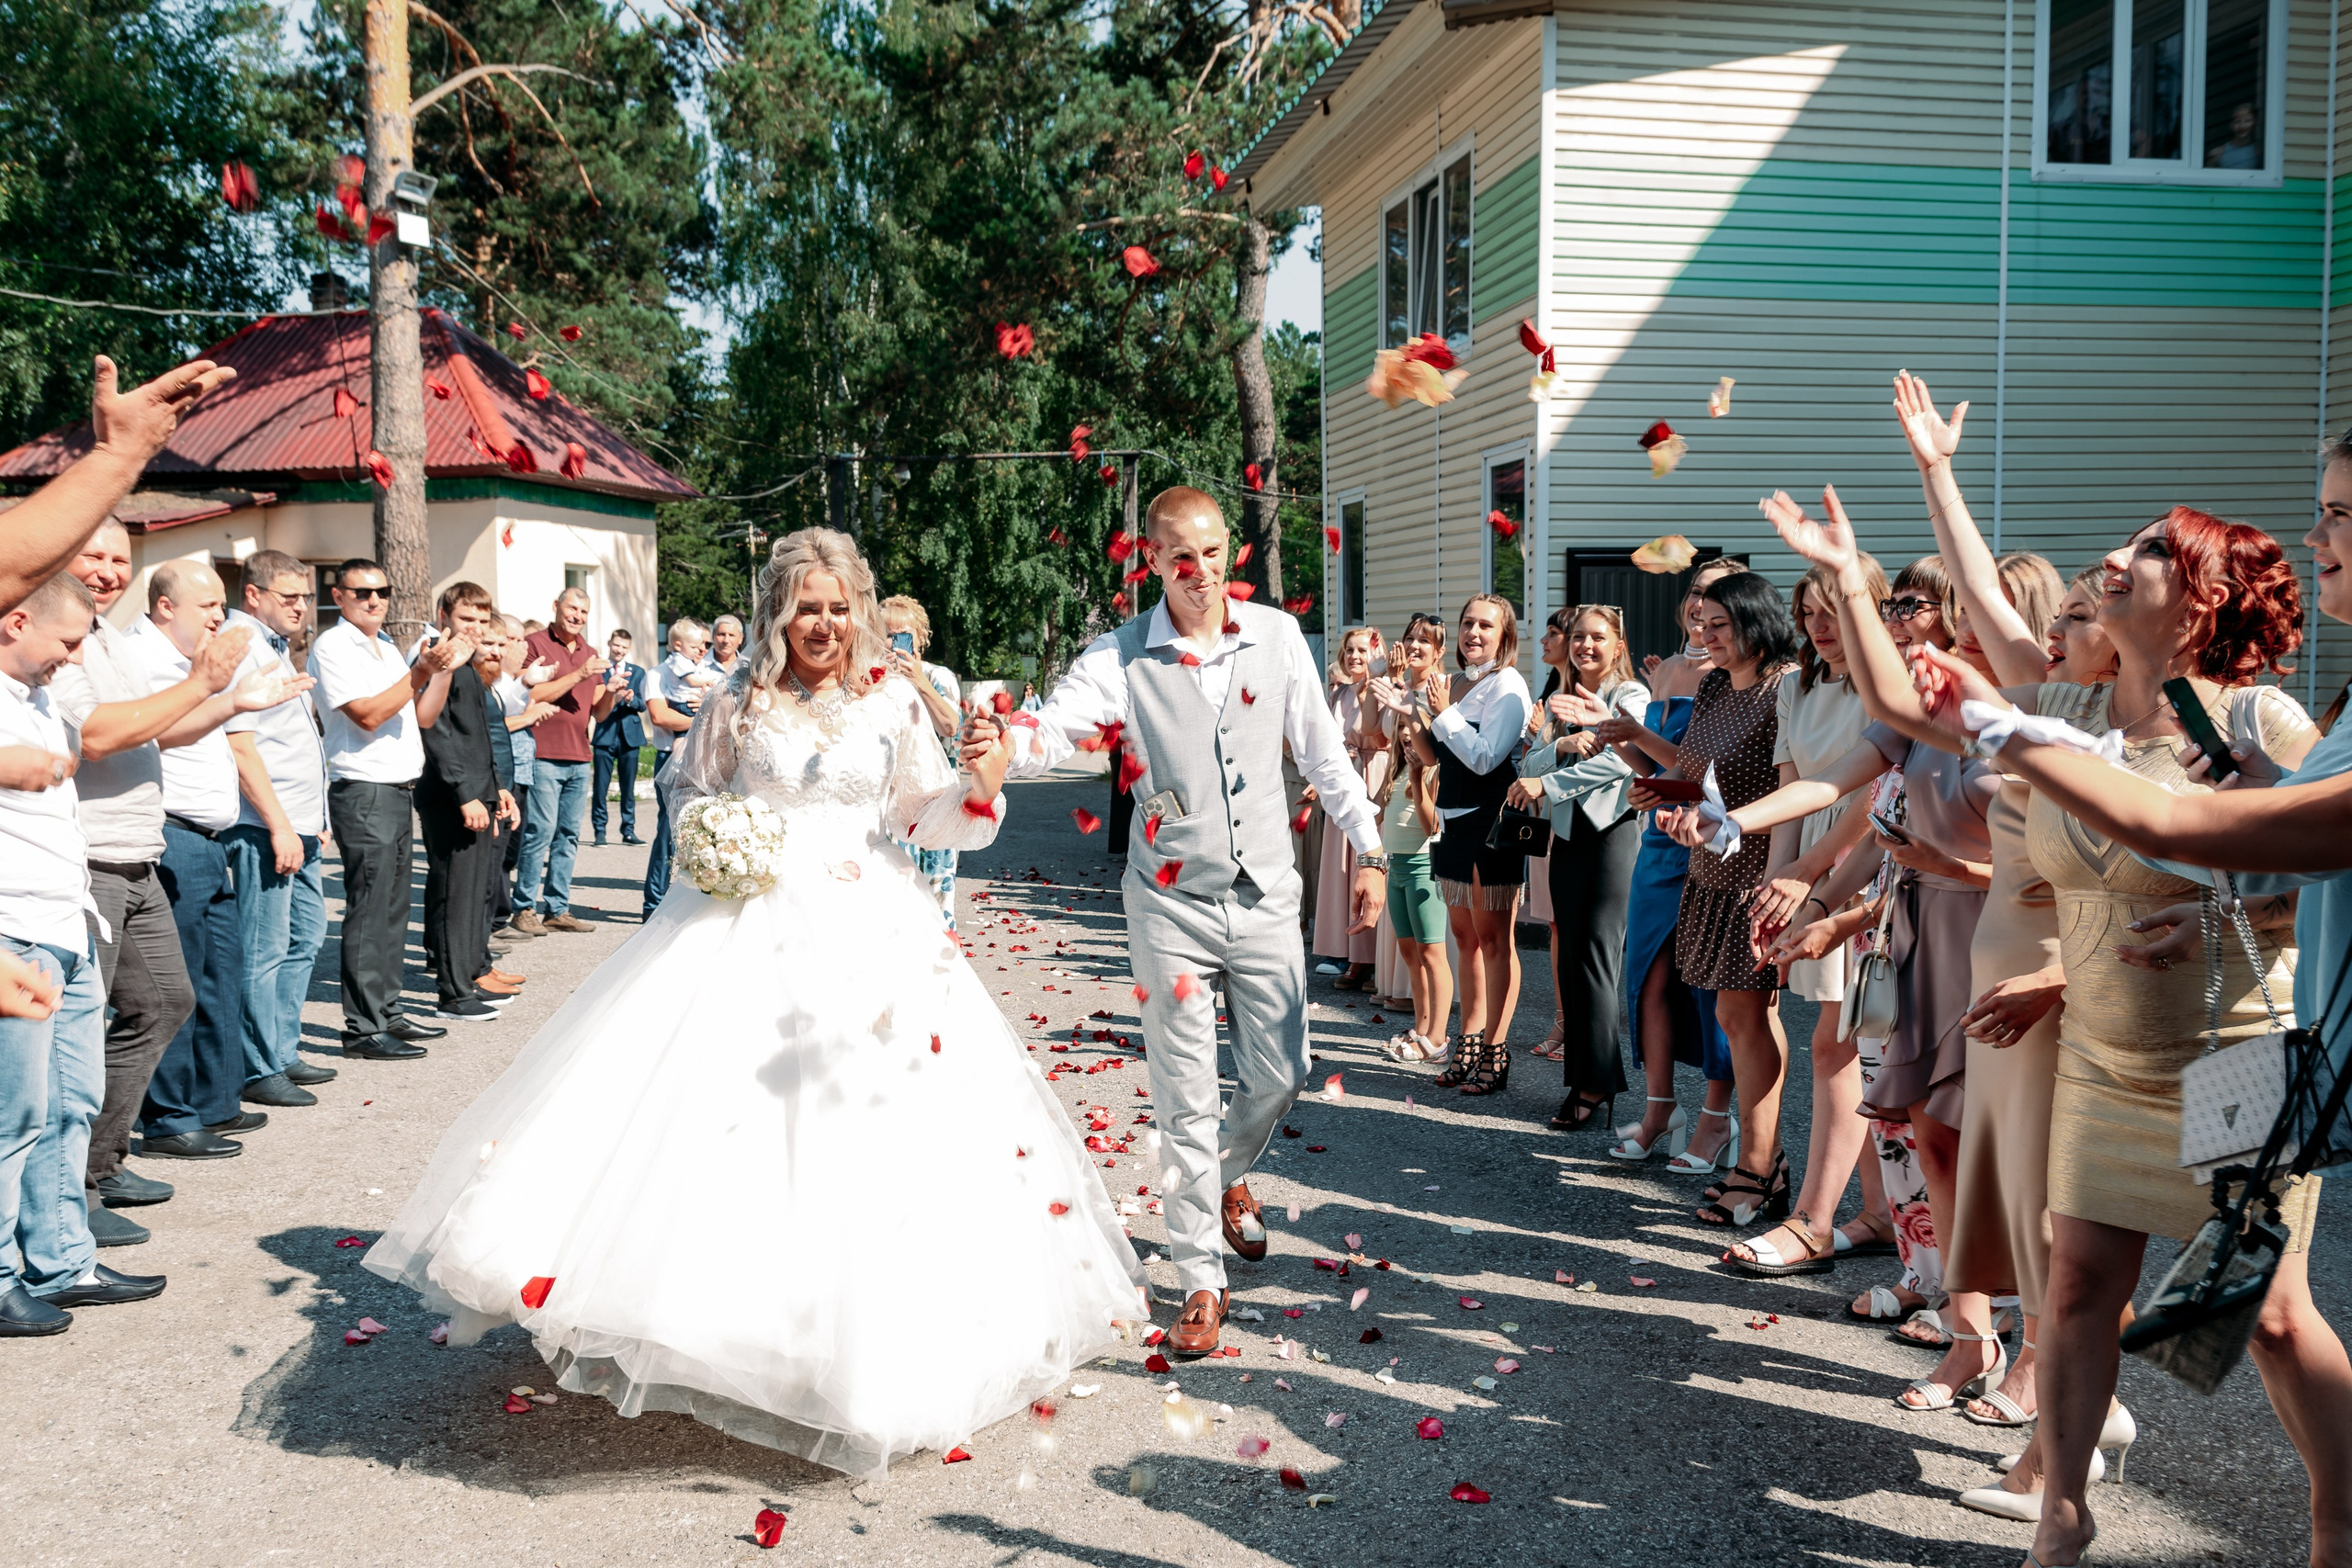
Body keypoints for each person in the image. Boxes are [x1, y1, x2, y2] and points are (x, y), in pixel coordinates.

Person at [366, 526, 1140, 1477]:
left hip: (871, 927)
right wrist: (720, 837)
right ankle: (714, 1325)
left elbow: (921, 815)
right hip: (743, 922)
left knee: (866, 1127)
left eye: (836, 606)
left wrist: (976, 787)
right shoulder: (738, 698)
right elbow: (684, 790)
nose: (822, 623)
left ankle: (854, 1349)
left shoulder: (893, 698)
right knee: (717, 1120)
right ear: (779, 611)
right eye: (804, 606)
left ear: (859, 610)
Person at [1902, 512, 2317, 1568]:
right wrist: (1932, 483)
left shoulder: (2265, 720)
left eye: (2146, 551)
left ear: (2203, 595)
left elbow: (2322, 882)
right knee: (2077, 1282)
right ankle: (2061, 1515)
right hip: (2104, 1054)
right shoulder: (2078, 707)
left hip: (2236, 1054)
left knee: (2266, 1319)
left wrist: (2229, 912)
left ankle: (2341, 1522)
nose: (2113, 562)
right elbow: (1964, 655)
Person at [977, 486, 1384, 1358]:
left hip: (1268, 894)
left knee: (1284, 1072)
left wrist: (1373, 850)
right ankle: (1201, 1272)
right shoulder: (1121, 655)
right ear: (1152, 561)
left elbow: (1322, 751)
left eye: (1208, 551)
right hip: (1168, 902)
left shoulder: (1276, 637)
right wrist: (1009, 743)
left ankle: (1226, 1176)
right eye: (1176, 555)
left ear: (1230, 551)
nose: (1196, 569)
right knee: (1186, 1091)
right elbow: (1057, 730)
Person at [48, 526, 244, 1240]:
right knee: (78, 1031)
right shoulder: (58, 634)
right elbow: (95, 734)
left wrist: (231, 701)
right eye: (91, 554)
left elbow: (154, 731)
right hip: (91, 857)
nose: (106, 570)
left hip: (137, 853)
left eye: (118, 558)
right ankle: (69, 1197)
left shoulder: (108, 638)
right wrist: (204, 682)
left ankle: (101, 1159)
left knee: (165, 1000)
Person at [0, 571, 167, 1336]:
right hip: (15, 926)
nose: (73, 658)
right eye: (65, 643)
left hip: (67, 920)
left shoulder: (42, 695)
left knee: (70, 1105)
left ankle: (64, 1256)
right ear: (15, 621)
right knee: (14, 1116)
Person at [1721, 558, 1885, 1274]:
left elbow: (1871, 795)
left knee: (1844, 1041)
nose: (1820, 625)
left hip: (1864, 866)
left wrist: (1812, 878)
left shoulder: (1889, 688)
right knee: (1853, 1042)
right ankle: (1879, 1211)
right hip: (1811, 871)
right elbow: (1795, 789)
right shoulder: (1798, 685)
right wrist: (1775, 881)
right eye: (1809, 612)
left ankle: (1818, 1215)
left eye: (1834, 611)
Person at [1631, 569, 1800, 1226]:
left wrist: (1781, 877)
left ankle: (1761, 1164)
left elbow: (1793, 788)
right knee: (1733, 1020)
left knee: (1748, 1019)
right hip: (1709, 870)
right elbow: (1694, 774)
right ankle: (1762, 1159)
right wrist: (1663, 793)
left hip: (1756, 873)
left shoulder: (1785, 688)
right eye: (1700, 624)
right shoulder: (1712, 686)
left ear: (1756, 623)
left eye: (1718, 625)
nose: (1704, 636)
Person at [130, 563, 314, 1160]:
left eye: (220, 601)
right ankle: (169, 1116)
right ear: (163, 606)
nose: (219, 613)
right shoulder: (139, 658)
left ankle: (213, 1100)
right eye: (207, 603)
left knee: (218, 974)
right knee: (174, 983)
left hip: (208, 836)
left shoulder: (200, 658)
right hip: (171, 832)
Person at [1600, 560, 1744, 1170]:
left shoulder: (1734, 677)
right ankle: (1661, 1109)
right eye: (1694, 593)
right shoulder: (1670, 671)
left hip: (1711, 840)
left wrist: (1659, 773)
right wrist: (1617, 741)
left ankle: (1717, 1117)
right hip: (1659, 842)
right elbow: (1661, 767)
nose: (1697, 606)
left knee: (1709, 987)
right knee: (1650, 978)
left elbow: (1706, 772)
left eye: (1713, 598)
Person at [1370, 595, 1531, 1092]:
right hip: (1450, 826)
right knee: (1465, 942)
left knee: (1494, 942)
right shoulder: (1457, 683)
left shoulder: (1509, 685)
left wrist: (1440, 713)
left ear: (1504, 636)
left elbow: (1485, 759)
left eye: (1486, 625)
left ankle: (1494, 1051)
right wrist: (1410, 717)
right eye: (1467, 623)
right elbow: (1434, 757)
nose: (1473, 633)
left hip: (1490, 825)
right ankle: (1467, 1043)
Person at [310, 558, 466, 1061]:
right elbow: (370, 715)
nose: (375, 600)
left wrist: (441, 670)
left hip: (396, 787)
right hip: (364, 788)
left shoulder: (382, 648)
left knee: (394, 908)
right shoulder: (334, 645)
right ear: (339, 596)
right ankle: (362, 1026)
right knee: (370, 907)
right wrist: (419, 669)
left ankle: (387, 1010)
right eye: (362, 592)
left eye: (382, 591)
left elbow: (419, 714)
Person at [1508, 604, 1651, 1131]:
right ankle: (1589, 1078)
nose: (1585, 645)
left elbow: (1622, 760)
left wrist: (1550, 782)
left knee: (1595, 960)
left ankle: (1593, 1085)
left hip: (1612, 838)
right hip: (1567, 839)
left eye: (1597, 637)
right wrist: (1559, 743)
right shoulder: (1561, 699)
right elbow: (1528, 765)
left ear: (1618, 645)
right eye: (1578, 637)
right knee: (1569, 959)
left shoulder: (1632, 695)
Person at [220, 550, 333, 1115]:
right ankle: (256, 1065)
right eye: (287, 596)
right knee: (262, 950)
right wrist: (281, 825)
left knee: (306, 937)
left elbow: (300, 743)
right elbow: (243, 748)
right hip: (267, 826)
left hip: (301, 824)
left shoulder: (274, 647)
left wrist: (319, 820)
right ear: (253, 595)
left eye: (306, 596)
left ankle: (281, 1049)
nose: (300, 606)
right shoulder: (243, 646)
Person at [415, 584, 512, 1022]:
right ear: (444, 615)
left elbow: (479, 737)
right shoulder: (439, 657)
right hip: (452, 796)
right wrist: (464, 794)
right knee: (455, 894)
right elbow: (435, 731)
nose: (474, 628)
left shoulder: (468, 662)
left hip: (477, 792)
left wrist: (495, 789)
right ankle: (453, 993)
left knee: (472, 893)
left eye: (481, 620)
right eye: (466, 619)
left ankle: (466, 978)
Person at [1374, 615, 1453, 1063]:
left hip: (1424, 863)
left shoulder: (1427, 770)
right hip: (1398, 863)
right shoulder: (1398, 767)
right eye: (1402, 735)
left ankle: (1438, 1038)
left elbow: (1431, 826)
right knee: (1409, 953)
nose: (1406, 739)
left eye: (1412, 734)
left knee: (1432, 952)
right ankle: (1421, 1025)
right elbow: (1379, 727)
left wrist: (1420, 775)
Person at [512, 590, 612, 934]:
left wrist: (612, 690)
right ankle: (524, 908)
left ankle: (557, 908)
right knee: (540, 832)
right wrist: (580, 674)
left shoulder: (590, 652)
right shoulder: (535, 643)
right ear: (556, 607)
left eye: (584, 611)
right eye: (572, 608)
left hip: (579, 756)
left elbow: (598, 710)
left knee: (568, 835)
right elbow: (530, 693)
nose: (577, 615)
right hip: (544, 753)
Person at [879, 597, 967, 926]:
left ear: (920, 636)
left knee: (937, 889)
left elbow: (950, 726)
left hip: (936, 797)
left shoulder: (937, 675)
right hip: (889, 799)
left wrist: (918, 680)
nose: (894, 640)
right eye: (887, 633)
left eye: (903, 632)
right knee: (895, 888)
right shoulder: (871, 677)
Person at [1315, 627, 1387, 989]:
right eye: (1349, 650)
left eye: (1362, 650)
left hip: (1377, 777)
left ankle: (1378, 960)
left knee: (1372, 867)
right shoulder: (1338, 694)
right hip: (1344, 782)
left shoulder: (1384, 688)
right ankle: (1353, 956)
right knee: (1343, 871)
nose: (1355, 656)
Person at [640, 619, 707, 919]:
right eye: (698, 644)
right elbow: (660, 716)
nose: (702, 650)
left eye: (704, 645)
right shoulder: (658, 674)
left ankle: (692, 904)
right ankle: (653, 905)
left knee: (701, 831)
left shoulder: (703, 672)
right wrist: (700, 721)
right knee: (668, 831)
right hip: (671, 757)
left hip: (702, 757)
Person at [590, 628, 646, 847]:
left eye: (624, 646)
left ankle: (628, 830)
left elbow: (643, 704)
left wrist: (631, 699)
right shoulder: (600, 671)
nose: (619, 650)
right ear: (609, 644)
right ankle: (600, 831)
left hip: (629, 736)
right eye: (616, 645)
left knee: (628, 787)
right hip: (605, 734)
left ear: (628, 649)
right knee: (600, 786)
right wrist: (611, 695)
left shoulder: (638, 672)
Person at [707, 613, 744, 677]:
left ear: (740, 638)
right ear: (713, 636)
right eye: (722, 634)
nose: (726, 640)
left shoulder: (748, 668)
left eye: (731, 635)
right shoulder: (698, 664)